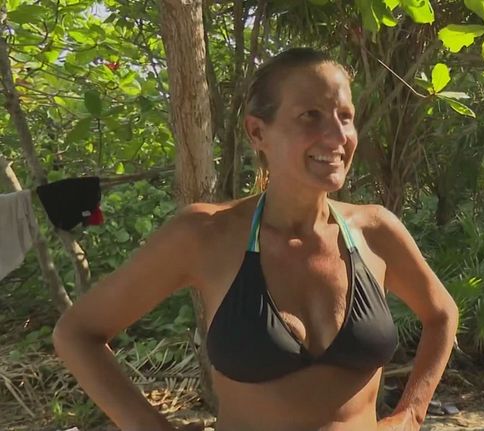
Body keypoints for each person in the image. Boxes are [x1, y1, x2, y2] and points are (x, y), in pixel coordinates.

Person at [52, 47, 459, 431]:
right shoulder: (206, 235)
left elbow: (442, 314)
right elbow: (77, 334)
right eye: (311, 116)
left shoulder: (375, 232)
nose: (337, 135)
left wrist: (411, 414)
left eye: (345, 116)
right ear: (257, 132)